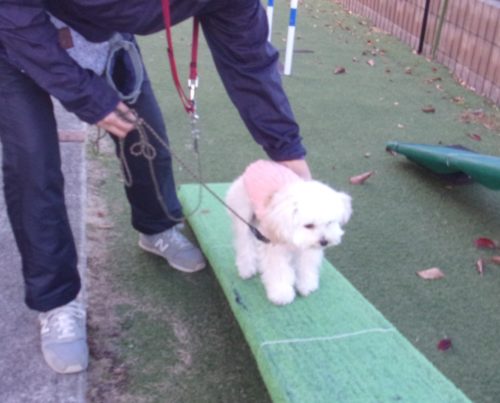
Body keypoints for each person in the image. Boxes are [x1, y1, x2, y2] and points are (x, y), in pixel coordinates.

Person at [0, 0, 311, 374]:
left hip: (104, 33)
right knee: (33, 165)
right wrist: (87, 96)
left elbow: (249, 62)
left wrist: (287, 150)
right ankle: (57, 300)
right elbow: (13, 14)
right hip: (15, 36)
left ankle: (156, 228)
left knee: (144, 134)